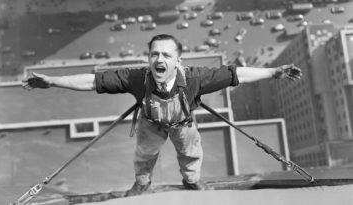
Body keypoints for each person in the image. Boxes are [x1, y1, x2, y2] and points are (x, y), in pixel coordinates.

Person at [22, 34, 302, 196]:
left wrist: (275, 72)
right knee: (144, 157)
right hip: (151, 124)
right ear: (148, 59)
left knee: (191, 154)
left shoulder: (197, 78)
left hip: (183, 123)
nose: (159, 60)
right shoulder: (135, 78)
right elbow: (92, 81)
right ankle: (141, 184)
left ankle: (191, 181)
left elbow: (236, 74)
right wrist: (52, 81)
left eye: (167, 55)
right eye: (154, 54)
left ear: (178, 60)